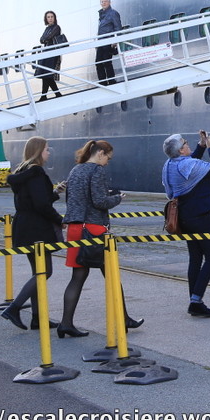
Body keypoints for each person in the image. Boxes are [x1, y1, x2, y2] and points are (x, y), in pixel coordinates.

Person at [58, 139, 140, 337]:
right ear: (101, 153)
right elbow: (100, 201)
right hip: (94, 229)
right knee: (112, 274)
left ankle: (65, 323)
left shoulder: (75, 170)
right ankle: (123, 318)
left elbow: (75, 199)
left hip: (76, 228)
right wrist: (118, 198)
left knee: (77, 277)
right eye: (108, 158)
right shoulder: (97, 171)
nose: (107, 163)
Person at [1, 136, 65, 330]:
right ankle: (14, 308)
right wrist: (60, 220)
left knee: (38, 272)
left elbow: (34, 200)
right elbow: (40, 205)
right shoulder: (37, 172)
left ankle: (38, 318)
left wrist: (55, 193)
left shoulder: (22, 171)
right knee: (44, 271)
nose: (48, 152)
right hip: (37, 227)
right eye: (46, 149)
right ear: (38, 151)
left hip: (23, 225)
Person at [162, 131, 210, 318]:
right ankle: (196, 300)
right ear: (181, 150)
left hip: (184, 216)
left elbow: (192, 162)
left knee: (195, 257)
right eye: (186, 143)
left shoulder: (171, 163)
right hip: (200, 216)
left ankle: (194, 300)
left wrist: (201, 146)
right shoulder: (187, 164)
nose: (188, 145)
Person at [35, 11, 64, 99]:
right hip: (47, 54)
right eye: (48, 17)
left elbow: (48, 37)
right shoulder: (47, 28)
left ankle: (49, 95)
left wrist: (45, 39)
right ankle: (47, 95)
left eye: (52, 17)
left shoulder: (56, 27)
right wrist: (45, 39)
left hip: (53, 54)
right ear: (46, 19)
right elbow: (41, 40)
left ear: (54, 18)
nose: (50, 19)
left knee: (48, 74)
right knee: (45, 75)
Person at [95, 0, 123, 84]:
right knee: (98, 62)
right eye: (102, 2)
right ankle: (102, 82)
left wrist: (115, 40)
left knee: (107, 62)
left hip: (108, 41)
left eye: (106, 1)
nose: (104, 3)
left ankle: (111, 81)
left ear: (109, 2)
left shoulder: (113, 13)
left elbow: (118, 27)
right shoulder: (102, 14)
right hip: (101, 42)